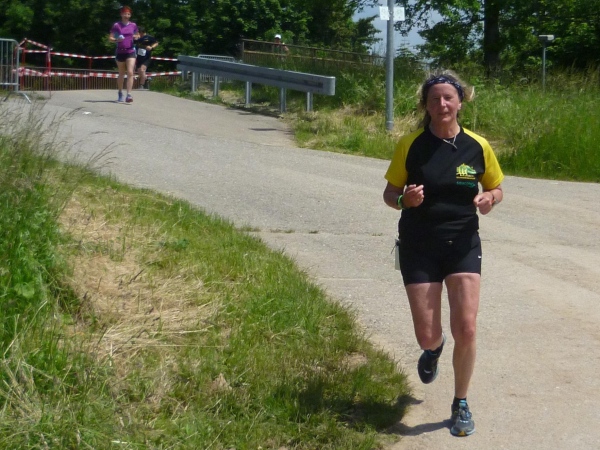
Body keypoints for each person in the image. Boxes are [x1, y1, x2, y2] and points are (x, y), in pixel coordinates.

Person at [382, 70, 504, 437]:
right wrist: (405, 200)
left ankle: (461, 402)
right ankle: (433, 350)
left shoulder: (478, 145)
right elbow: (390, 193)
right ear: (426, 105)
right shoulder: (410, 145)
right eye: (434, 99)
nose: (442, 104)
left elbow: (497, 188)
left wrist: (489, 198)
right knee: (427, 335)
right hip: (419, 246)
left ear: (461, 102)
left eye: (448, 97)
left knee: (466, 327)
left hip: (463, 244)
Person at [109, 6, 139, 103]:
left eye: (128, 14)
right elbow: (110, 38)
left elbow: (137, 35)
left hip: (130, 50)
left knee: (130, 72)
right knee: (121, 73)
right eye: (125, 14)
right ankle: (120, 92)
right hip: (120, 51)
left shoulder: (133, 25)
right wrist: (117, 39)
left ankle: (129, 94)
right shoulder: (117, 25)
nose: (127, 15)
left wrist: (136, 37)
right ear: (121, 14)